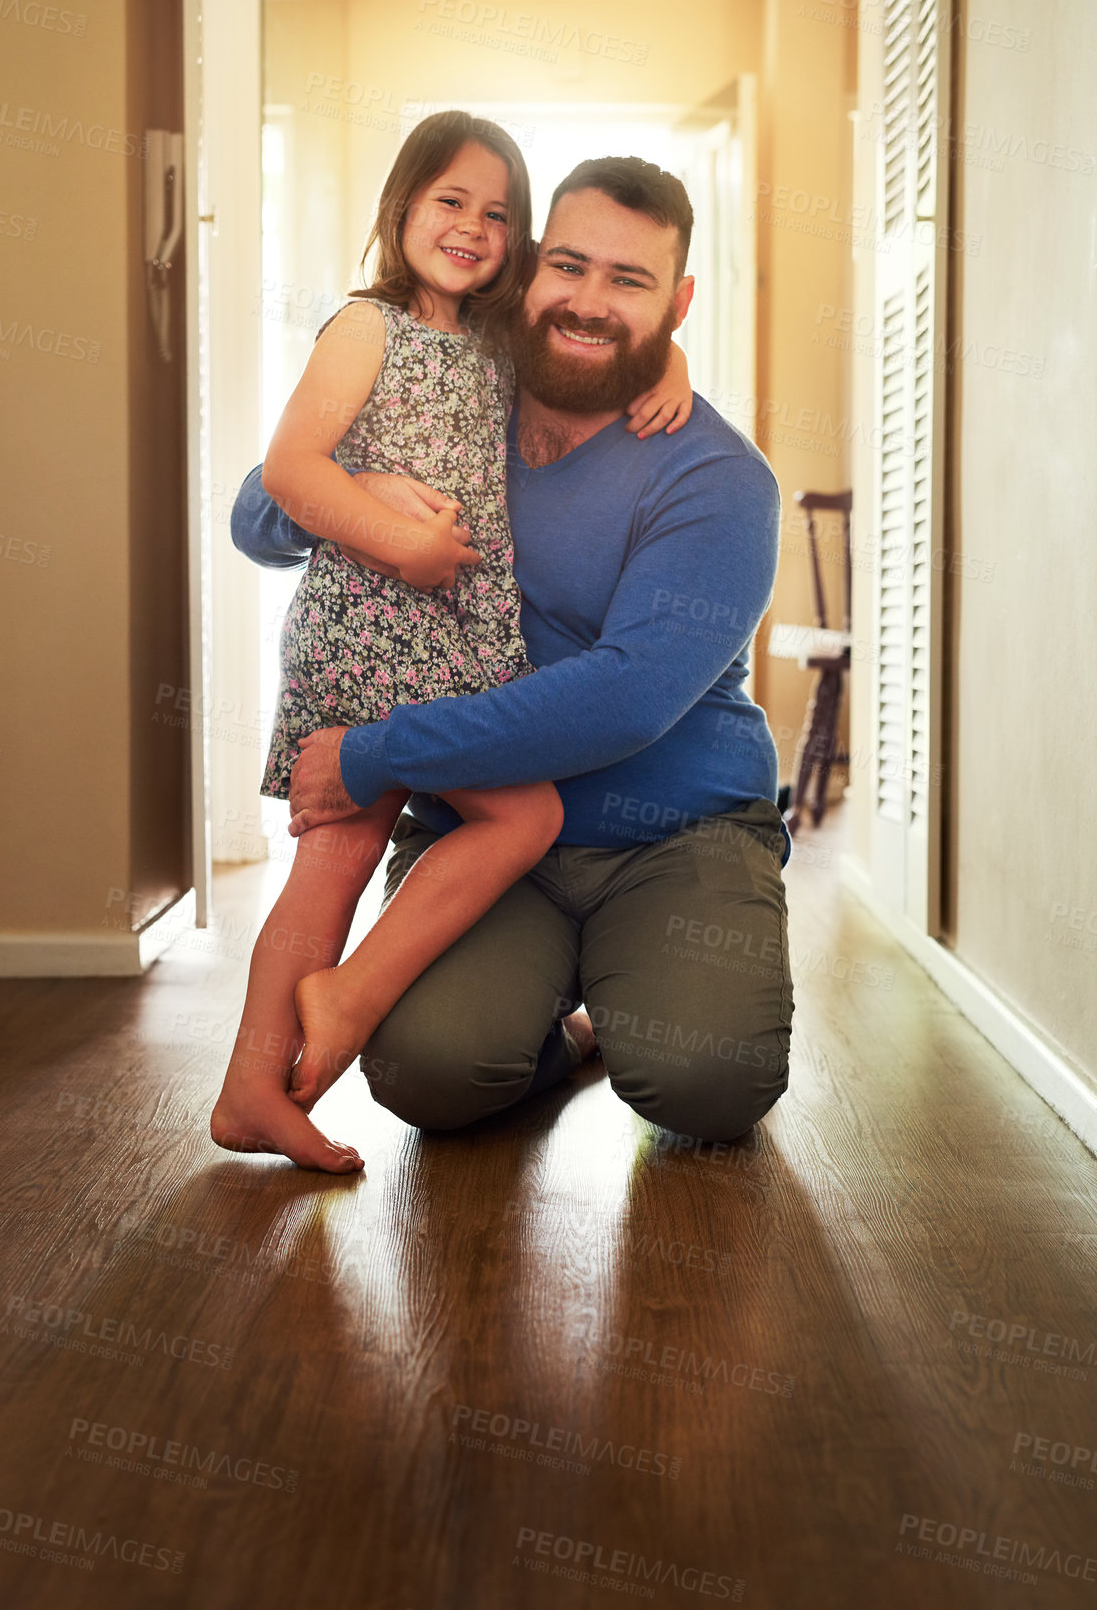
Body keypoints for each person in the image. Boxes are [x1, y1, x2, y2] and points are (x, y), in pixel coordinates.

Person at [233, 153, 792, 1155]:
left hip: (675, 832)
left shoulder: (718, 477)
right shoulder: (458, 391)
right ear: (528, 265)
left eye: (630, 281)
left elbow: (623, 700)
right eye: (567, 266)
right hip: (480, 833)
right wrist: (366, 498)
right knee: (426, 1072)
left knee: (705, 1080)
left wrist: (374, 750)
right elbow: (258, 514)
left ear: (680, 301)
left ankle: (618, 1012)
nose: (586, 302)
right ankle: (553, 1038)